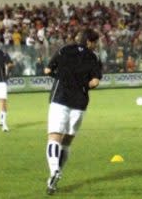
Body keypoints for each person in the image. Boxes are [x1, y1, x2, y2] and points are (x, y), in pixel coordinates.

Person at [43, 28, 103, 195]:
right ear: (89, 42)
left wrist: (61, 76)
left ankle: (54, 171)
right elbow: (95, 82)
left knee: (54, 137)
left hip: (60, 98)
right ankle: (53, 180)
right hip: (79, 103)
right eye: (94, 42)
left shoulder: (64, 50)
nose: (95, 46)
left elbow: (47, 70)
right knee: (67, 141)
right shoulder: (94, 57)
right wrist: (82, 82)